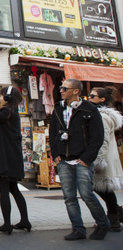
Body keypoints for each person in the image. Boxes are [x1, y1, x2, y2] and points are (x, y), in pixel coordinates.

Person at [50, 78, 109, 241]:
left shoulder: (89, 109)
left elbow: (97, 137)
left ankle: (103, 224)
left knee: (87, 194)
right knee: (69, 197)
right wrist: (56, 156)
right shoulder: (57, 108)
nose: (61, 91)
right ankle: (78, 229)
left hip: (82, 159)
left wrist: (86, 158)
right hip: (63, 161)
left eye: (64, 88)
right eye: (61, 88)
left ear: (76, 91)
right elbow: (53, 134)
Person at [0, 86, 31, 234]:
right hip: (13, 157)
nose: (1, 98)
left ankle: (7, 224)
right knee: (14, 189)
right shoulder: (12, 112)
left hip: (5, 157)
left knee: (4, 190)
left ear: (8, 97)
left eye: (3, 95)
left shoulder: (6, 112)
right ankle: (25, 221)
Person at [88, 86, 123, 232]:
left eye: (92, 96)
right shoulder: (98, 114)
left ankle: (114, 218)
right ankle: (116, 215)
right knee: (103, 190)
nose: (89, 98)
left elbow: (102, 141)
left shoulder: (102, 117)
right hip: (104, 157)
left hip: (103, 158)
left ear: (102, 99)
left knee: (103, 190)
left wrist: (98, 160)